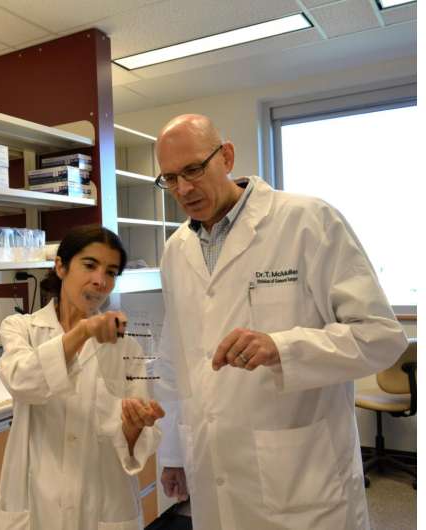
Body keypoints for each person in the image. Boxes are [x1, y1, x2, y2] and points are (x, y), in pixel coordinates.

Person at [152, 114, 408, 529]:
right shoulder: (176, 250)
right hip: (213, 468)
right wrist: (174, 453)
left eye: (193, 169)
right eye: (169, 178)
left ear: (227, 156)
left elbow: (380, 336)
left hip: (302, 472)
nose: (182, 189)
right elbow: (173, 359)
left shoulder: (308, 220)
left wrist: (283, 348)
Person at [0, 225, 165, 530]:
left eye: (111, 272)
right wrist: (83, 331)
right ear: (60, 266)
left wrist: (134, 426)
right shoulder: (22, 328)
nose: (100, 281)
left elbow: (137, 443)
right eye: (89, 265)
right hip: (35, 501)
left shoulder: (127, 346)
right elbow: (23, 381)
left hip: (102, 503)